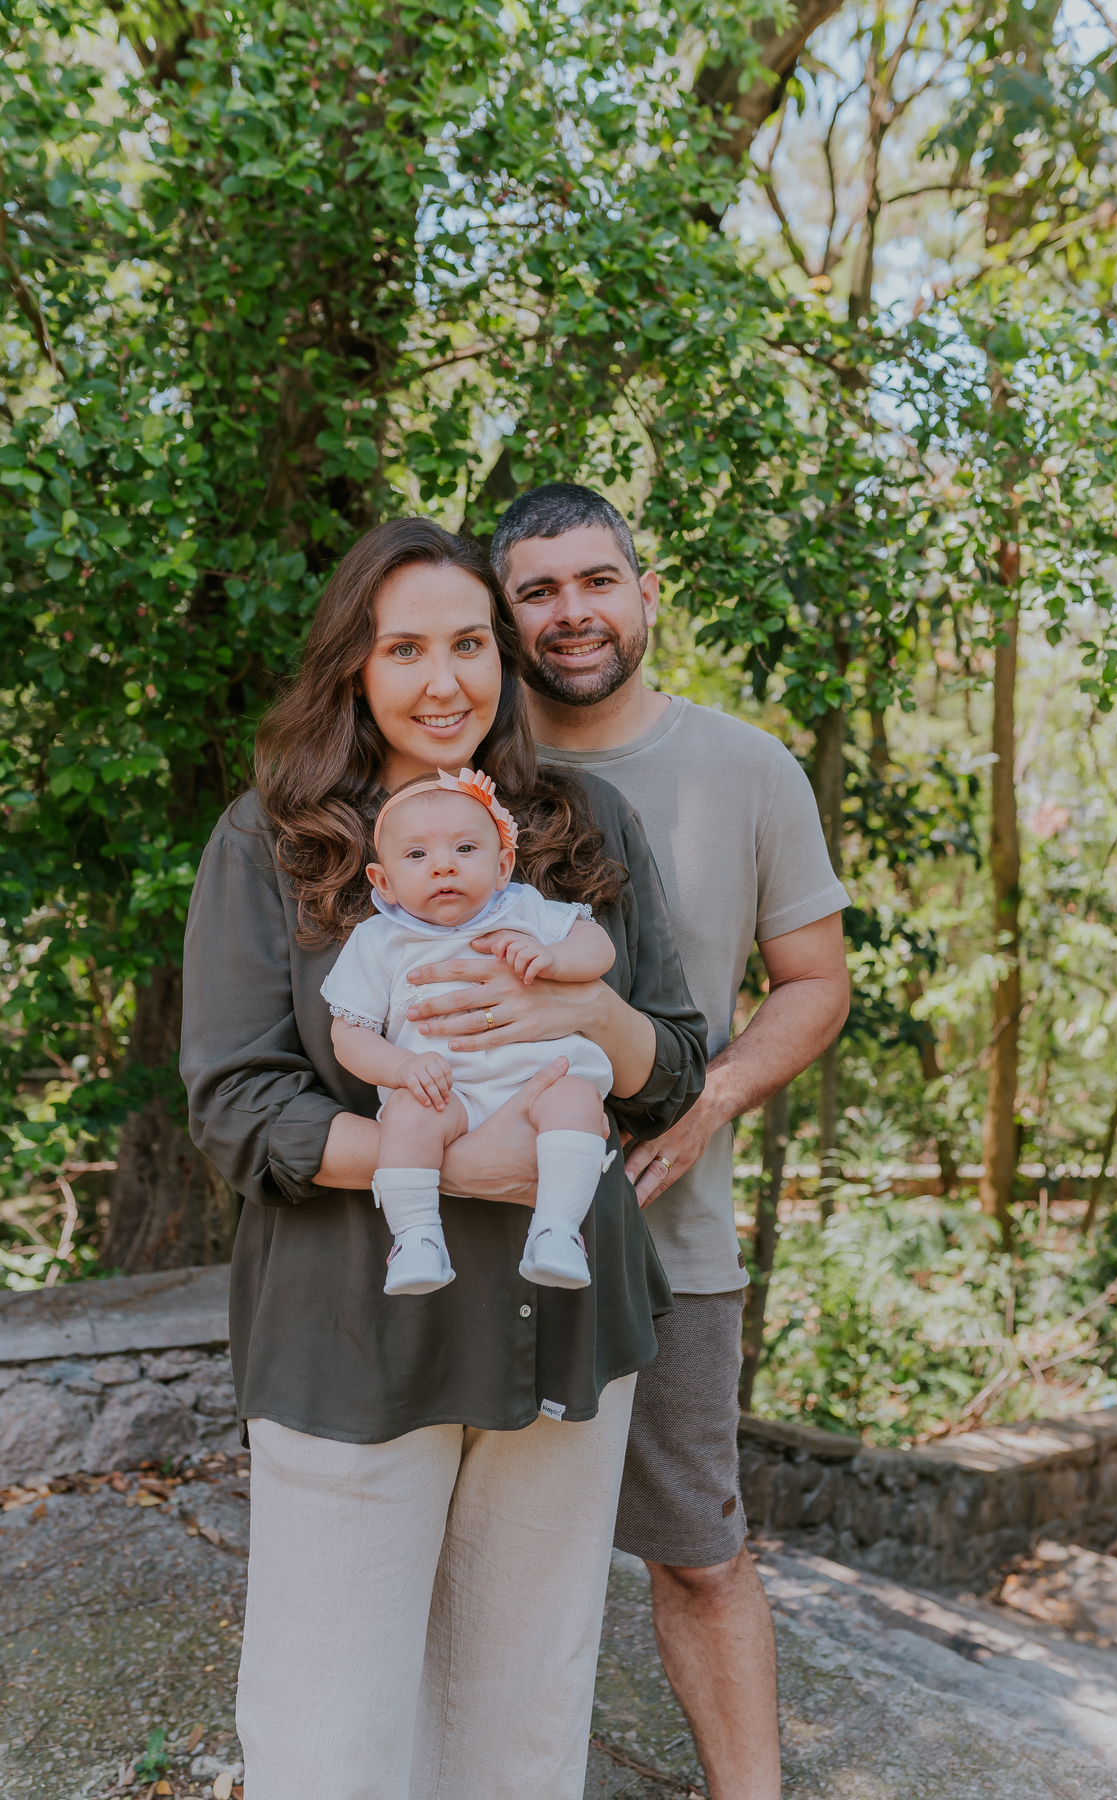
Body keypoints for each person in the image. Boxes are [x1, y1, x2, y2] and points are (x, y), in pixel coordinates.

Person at [180, 517, 707, 1800]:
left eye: (469, 643)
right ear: (352, 665)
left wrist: (588, 1012)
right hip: (356, 1333)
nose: (443, 681)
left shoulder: (583, 823)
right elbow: (238, 1104)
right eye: (404, 648)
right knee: (331, 1733)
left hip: (560, 1324)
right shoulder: (272, 840)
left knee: (521, 1721)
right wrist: (455, 1166)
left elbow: (677, 1067)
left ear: (504, 656)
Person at [480, 481, 850, 1800]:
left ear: (645, 593)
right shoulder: (457, 767)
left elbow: (817, 982)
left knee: (698, 1552)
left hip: (668, 1247)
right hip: (468, 1236)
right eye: (537, 591)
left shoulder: (749, 769)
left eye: (596, 581)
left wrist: (713, 1099)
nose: (571, 612)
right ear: (503, 618)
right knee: (476, 1560)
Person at [323, 764, 620, 1293]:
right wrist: (403, 1067)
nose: (443, 866)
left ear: (503, 865)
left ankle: (557, 1231)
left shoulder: (524, 910)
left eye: (465, 848)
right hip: (446, 1094)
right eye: (417, 855)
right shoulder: (377, 941)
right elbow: (348, 1034)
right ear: (383, 881)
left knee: (576, 1098)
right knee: (408, 1116)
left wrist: (553, 957)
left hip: (540, 1082)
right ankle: (416, 1239)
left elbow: (598, 946)